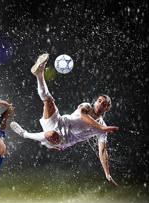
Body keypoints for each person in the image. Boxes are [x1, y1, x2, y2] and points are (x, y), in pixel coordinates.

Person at [10, 54, 119, 186]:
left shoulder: (103, 129)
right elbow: (84, 117)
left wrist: (107, 174)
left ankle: (24, 134)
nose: (99, 104)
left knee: (52, 134)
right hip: (59, 121)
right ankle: (39, 74)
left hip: (62, 140)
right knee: (48, 101)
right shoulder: (87, 107)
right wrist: (101, 128)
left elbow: (102, 151)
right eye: (99, 100)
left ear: (107, 108)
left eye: (103, 103)